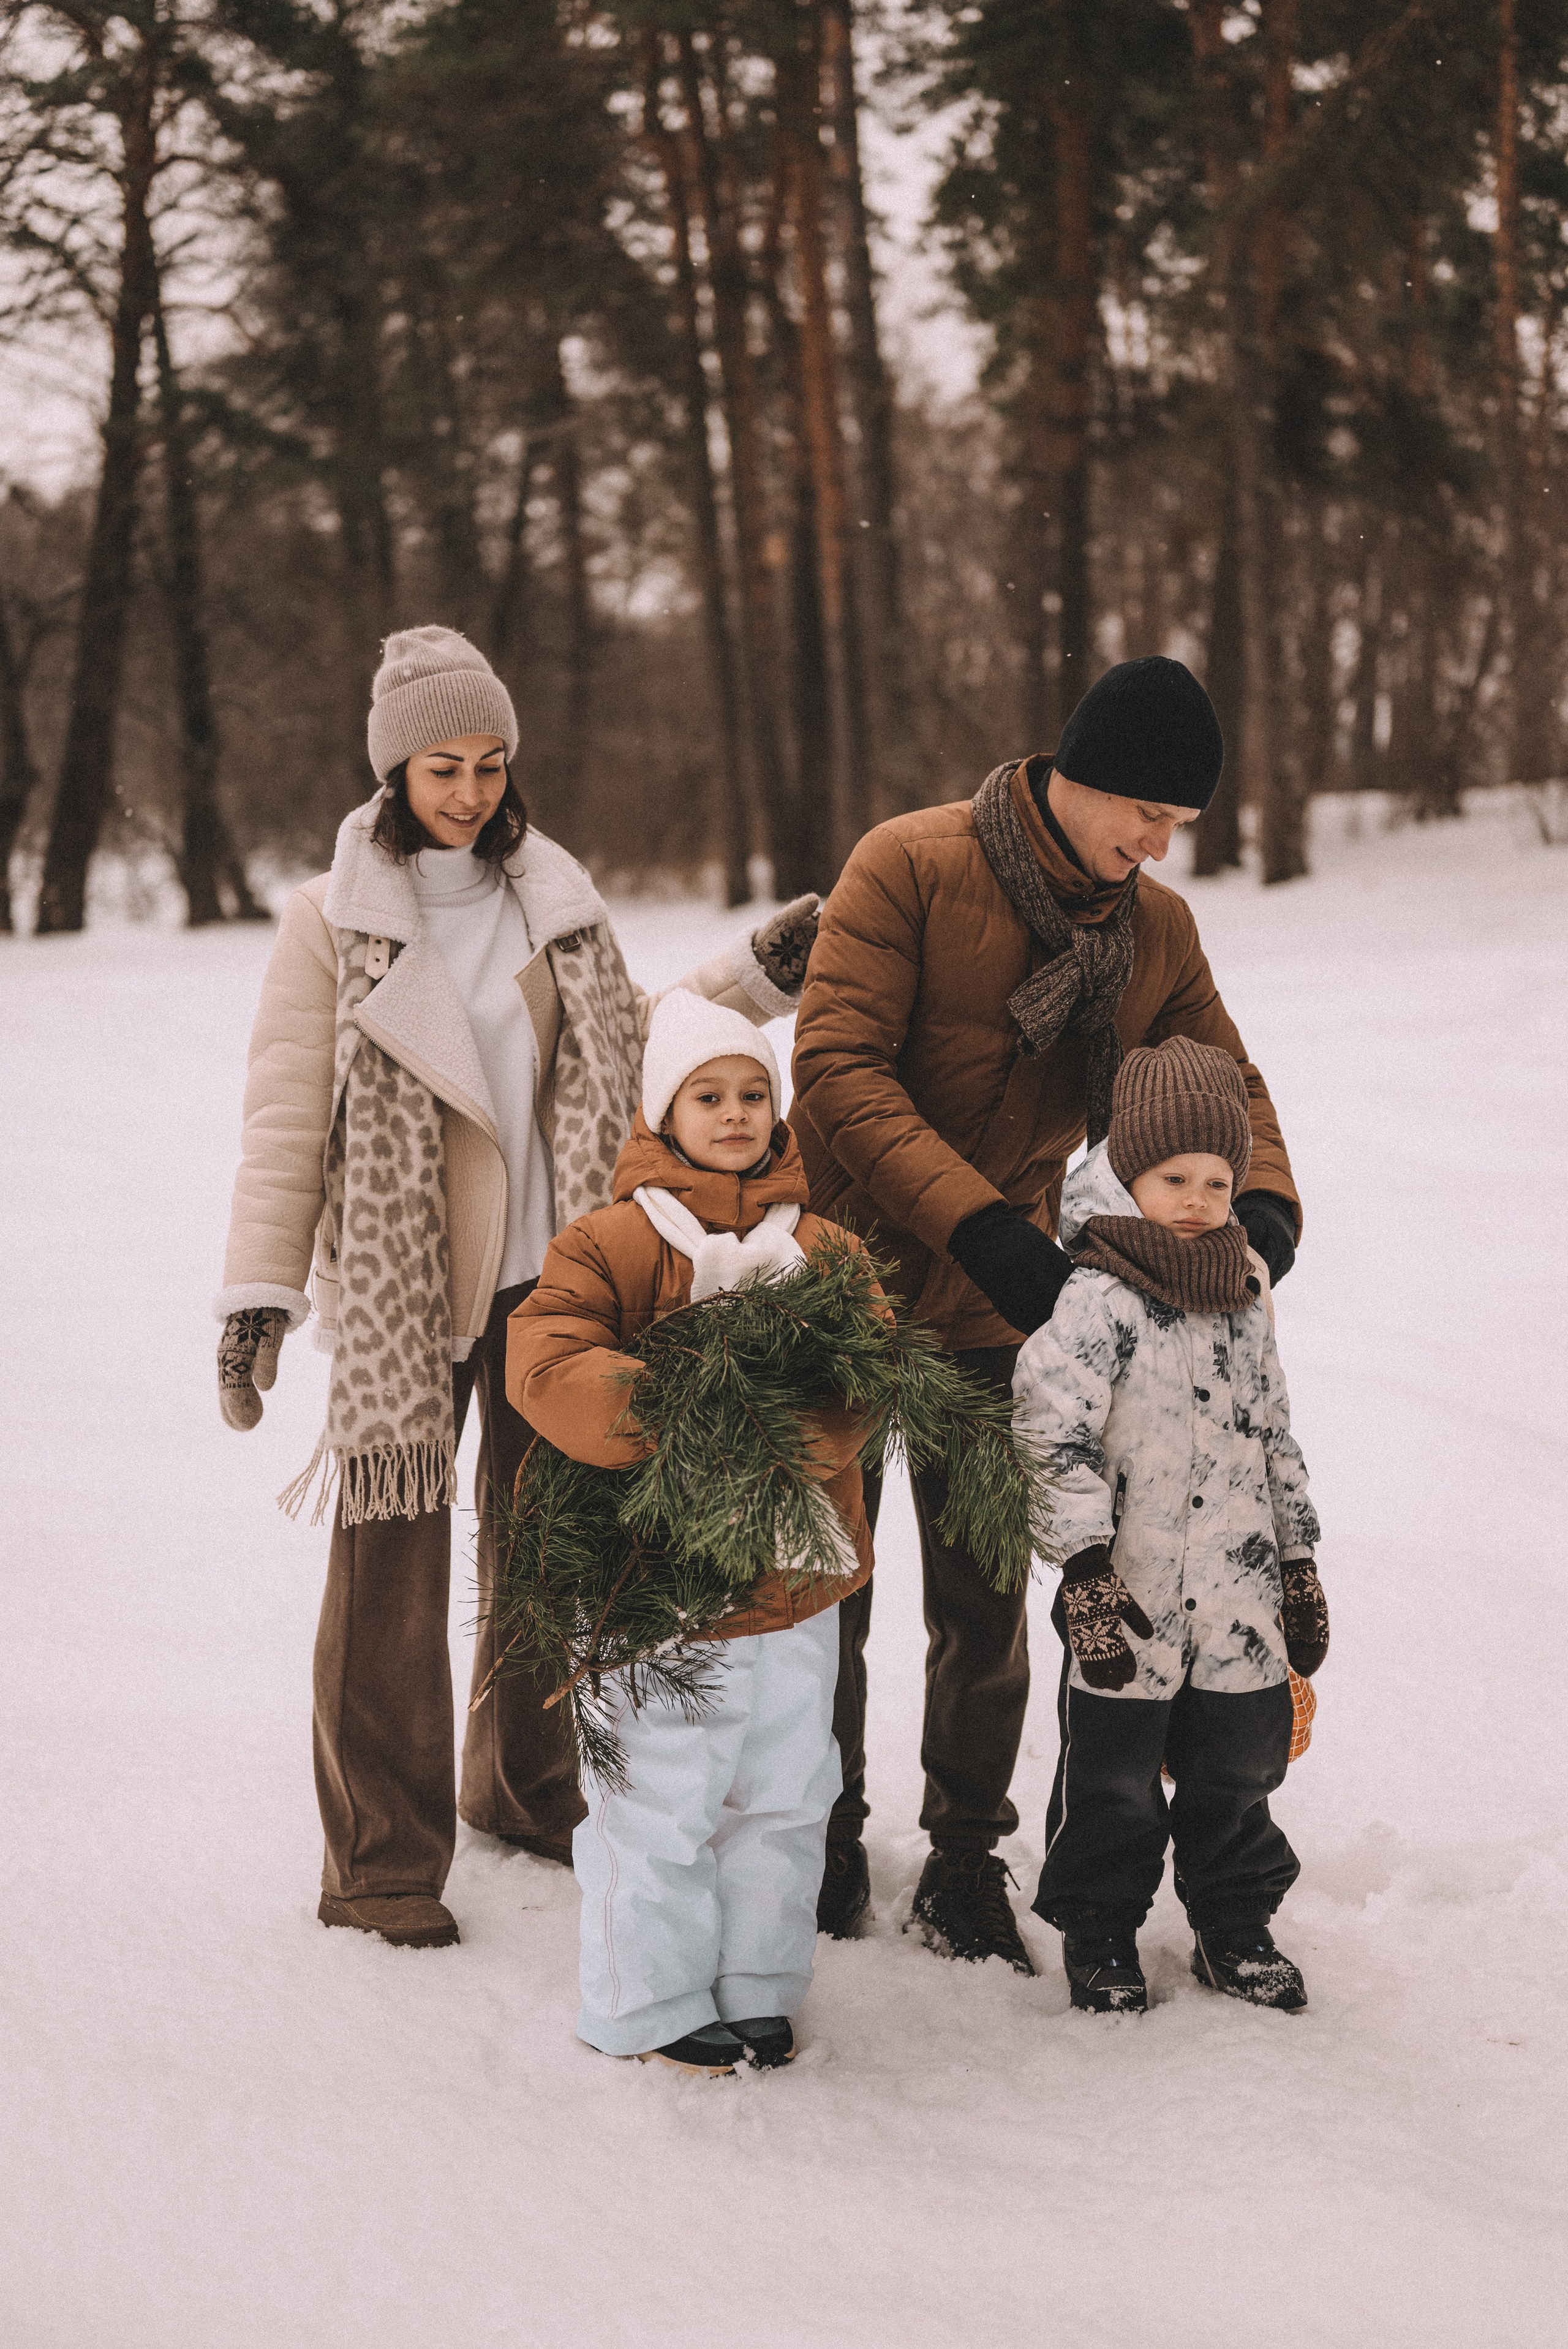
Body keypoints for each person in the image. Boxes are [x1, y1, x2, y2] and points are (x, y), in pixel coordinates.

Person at [214, 628, 818, 1950]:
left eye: (491, 764)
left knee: (551, 1544)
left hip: (552, 1274)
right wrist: (258, 1295)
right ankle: (379, 1856)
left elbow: (639, 1033)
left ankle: (525, 1783)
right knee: (391, 1567)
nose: (472, 790)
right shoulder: (330, 922)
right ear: (393, 771)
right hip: (403, 1286)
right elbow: (282, 1118)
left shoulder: (553, 898)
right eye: (445, 766)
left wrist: (754, 978)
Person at [790, 655, 1302, 1964]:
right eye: (1144, 809)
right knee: (820, 1594)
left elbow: (1218, 1076)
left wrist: (1262, 1208)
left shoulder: (1151, 929)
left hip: (1003, 1306)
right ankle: (819, 1835)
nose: (1155, 839)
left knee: (982, 1605)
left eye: (1174, 823)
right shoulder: (905, 865)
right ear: (1078, 775)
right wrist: (971, 1220)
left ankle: (963, 1859)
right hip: (838, 1288)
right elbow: (835, 1068)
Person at [507, 992, 877, 2073]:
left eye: (754, 1093)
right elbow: (549, 1356)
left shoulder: (824, 1248)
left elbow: (860, 1377)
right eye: (708, 1095)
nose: (734, 1114)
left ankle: (760, 1979)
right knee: (662, 1796)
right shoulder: (613, 1241)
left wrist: (783, 1432)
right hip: (656, 1583)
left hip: (793, 1578)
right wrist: (681, 1418)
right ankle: (648, 1998)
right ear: (664, 1111)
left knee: (785, 1788)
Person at [1011, 1035, 1328, 2014]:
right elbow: (1047, 1431)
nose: (1196, 1199)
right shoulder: (1096, 1299)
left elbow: (1276, 1437)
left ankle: (1234, 1925)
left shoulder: (1241, 1299)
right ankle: (1101, 1928)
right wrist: (1084, 1568)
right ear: (1127, 1177)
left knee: (1239, 1765)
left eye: (1217, 1180)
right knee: (1111, 1774)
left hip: (1239, 1601)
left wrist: (1301, 1561)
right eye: (1172, 1176)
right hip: (1130, 1598)